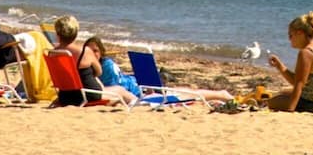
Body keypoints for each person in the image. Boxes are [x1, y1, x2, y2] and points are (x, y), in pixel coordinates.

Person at [88, 36, 233, 105]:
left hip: (141, 92)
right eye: (89, 51)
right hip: (139, 89)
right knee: (178, 92)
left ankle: (221, 94)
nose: (92, 54)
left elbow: (115, 90)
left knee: (181, 93)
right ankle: (218, 96)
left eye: (96, 51)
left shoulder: (106, 66)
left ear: (101, 52)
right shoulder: (91, 66)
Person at [266, 11, 313, 114]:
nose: (289, 39)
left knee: (272, 102)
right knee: (283, 92)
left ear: (300, 33)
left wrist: (290, 110)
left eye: (291, 35)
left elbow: (299, 85)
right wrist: (280, 66)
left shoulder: (305, 53)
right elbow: (297, 80)